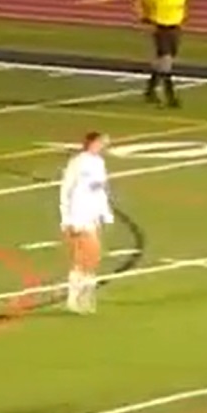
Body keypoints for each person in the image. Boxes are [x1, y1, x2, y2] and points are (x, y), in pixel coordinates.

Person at [59, 131, 113, 313]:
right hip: (79, 215)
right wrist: (66, 219)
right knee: (87, 255)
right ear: (91, 143)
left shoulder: (99, 163)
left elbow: (101, 190)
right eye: (99, 143)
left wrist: (105, 214)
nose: (102, 146)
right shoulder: (77, 162)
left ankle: (83, 296)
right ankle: (77, 297)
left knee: (90, 258)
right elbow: (66, 189)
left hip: (93, 215)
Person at [138, 0, 190, 108]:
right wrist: (146, 16)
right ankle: (171, 97)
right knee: (166, 63)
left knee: (162, 62)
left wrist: (146, 15)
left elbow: (144, 4)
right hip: (162, 30)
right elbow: (143, 4)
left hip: (176, 30)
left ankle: (150, 91)